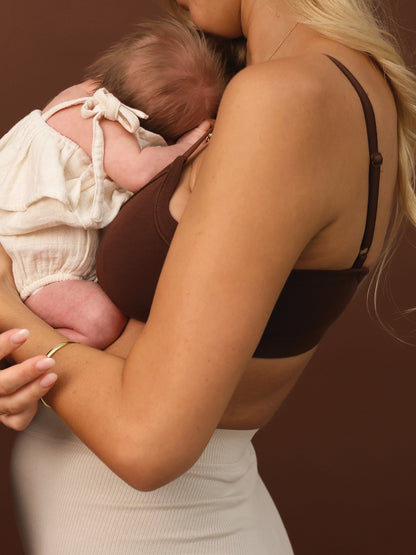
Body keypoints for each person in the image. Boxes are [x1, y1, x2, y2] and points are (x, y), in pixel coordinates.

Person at [0, 0, 415, 553]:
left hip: (150, 531)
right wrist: (26, 360)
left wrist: (12, 311)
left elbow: (147, 443)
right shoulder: (340, 86)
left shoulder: (286, 98)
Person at [0, 17, 243, 348]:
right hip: (36, 270)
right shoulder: (101, 117)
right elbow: (140, 173)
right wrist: (185, 146)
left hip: (20, 250)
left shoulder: (74, 96)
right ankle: (21, 350)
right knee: (101, 321)